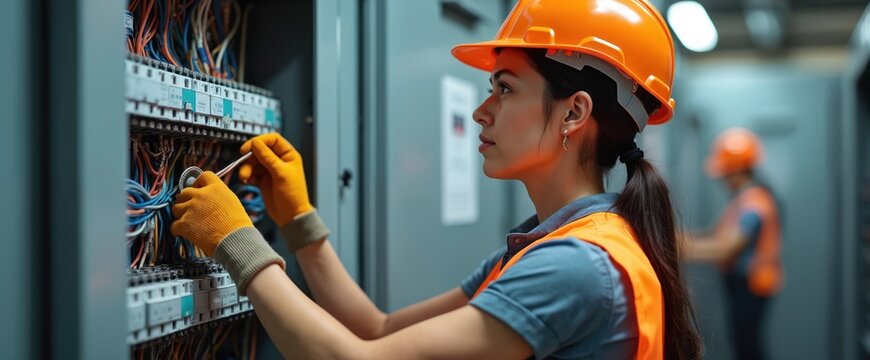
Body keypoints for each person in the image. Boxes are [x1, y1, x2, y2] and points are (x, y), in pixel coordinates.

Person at [171, 0, 703, 358]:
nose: (481, 111)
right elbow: (377, 329)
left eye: (505, 89)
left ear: (573, 112)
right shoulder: (552, 248)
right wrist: (299, 221)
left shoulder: (576, 267)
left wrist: (235, 243)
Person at [682, 128, 783, 360]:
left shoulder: (755, 203)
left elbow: (728, 247)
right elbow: (715, 233)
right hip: (744, 282)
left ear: (737, 171)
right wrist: (677, 238)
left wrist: (678, 249)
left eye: (725, 173)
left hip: (752, 284)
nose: (723, 180)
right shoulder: (744, 200)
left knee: (747, 346)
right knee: (744, 343)